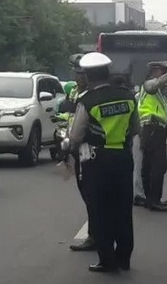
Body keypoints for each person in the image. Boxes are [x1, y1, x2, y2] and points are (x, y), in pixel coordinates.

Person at [69, 52, 139, 273]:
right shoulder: (127, 96)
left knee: (100, 212)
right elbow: (136, 128)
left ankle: (107, 260)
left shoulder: (87, 100)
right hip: (123, 159)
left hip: (97, 162)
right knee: (122, 210)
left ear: (89, 77)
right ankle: (124, 258)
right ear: (108, 73)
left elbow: (76, 137)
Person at [65, 53, 97, 253]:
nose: (78, 77)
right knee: (84, 190)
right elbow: (70, 117)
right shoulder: (74, 92)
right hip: (75, 147)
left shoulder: (93, 95)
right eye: (76, 73)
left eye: (82, 74)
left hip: (89, 148)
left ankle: (95, 235)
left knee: (90, 192)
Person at [139, 61, 167, 212]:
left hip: (153, 130)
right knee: (157, 166)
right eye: (160, 72)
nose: (162, 75)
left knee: (149, 166)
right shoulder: (149, 86)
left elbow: (163, 112)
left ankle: (151, 199)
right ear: (153, 72)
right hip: (153, 129)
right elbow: (154, 85)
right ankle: (154, 200)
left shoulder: (158, 94)